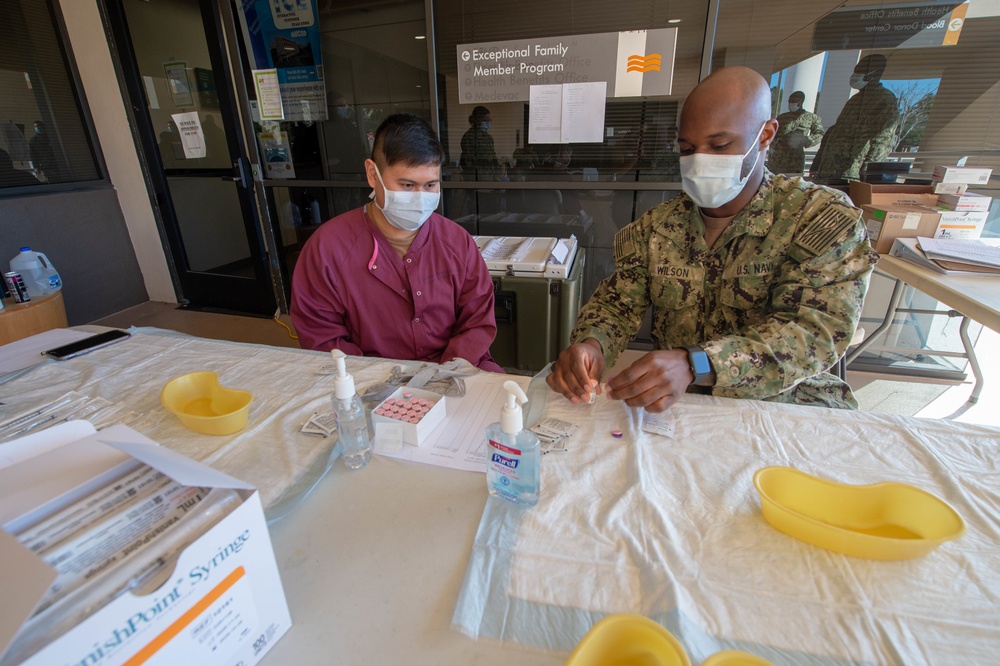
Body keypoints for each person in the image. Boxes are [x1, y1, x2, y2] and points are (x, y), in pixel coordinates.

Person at [546, 66, 878, 412]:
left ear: (765, 135)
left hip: (789, 406)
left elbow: (813, 333)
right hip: (686, 408)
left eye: (719, 145)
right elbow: (617, 305)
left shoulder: (815, 219)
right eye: (687, 148)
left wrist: (697, 364)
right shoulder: (657, 227)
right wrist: (591, 345)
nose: (700, 160)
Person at [291, 113, 502, 372]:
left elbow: (478, 321)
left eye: (430, 185)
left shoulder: (457, 242)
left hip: (457, 370)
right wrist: (383, 386)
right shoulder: (327, 250)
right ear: (372, 174)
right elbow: (322, 337)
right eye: (407, 185)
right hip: (369, 379)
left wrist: (445, 374)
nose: (419, 198)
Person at [810, 54, 899, 182]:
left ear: (873, 74)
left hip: (850, 174)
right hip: (829, 171)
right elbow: (834, 132)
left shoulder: (884, 100)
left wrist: (867, 174)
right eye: (856, 71)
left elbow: (883, 140)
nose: (855, 75)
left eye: (860, 72)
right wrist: (817, 163)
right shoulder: (856, 100)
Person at [767, 91, 825, 175]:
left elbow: (819, 133)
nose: (791, 104)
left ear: (801, 102)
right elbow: (772, 134)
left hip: (795, 161)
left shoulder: (811, 118)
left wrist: (806, 140)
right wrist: (775, 144)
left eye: (794, 101)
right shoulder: (782, 118)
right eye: (790, 101)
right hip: (777, 159)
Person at [459, 105, 501, 181]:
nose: (488, 123)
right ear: (477, 120)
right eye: (485, 120)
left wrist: (496, 174)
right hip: (478, 179)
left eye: (490, 121)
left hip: (490, 178)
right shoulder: (469, 137)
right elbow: (468, 161)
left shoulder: (488, 137)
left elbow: (493, 158)